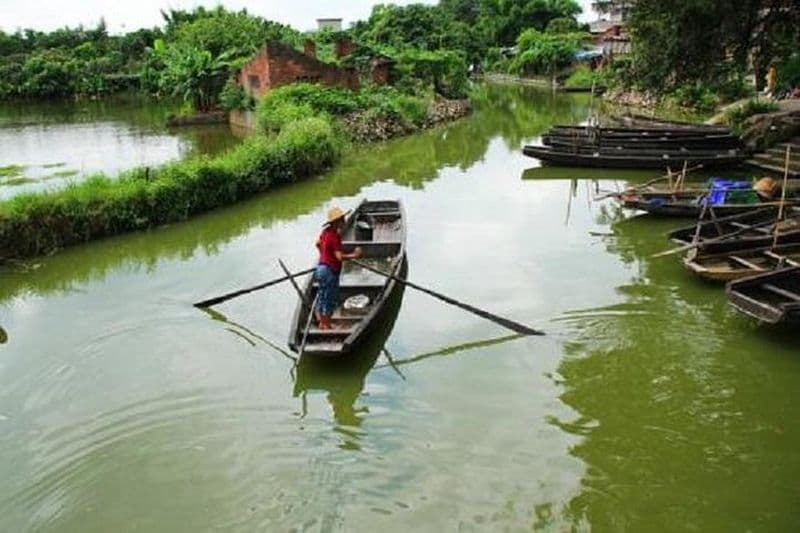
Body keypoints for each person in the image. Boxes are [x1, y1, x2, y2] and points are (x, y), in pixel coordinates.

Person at [315, 207, 362, 330]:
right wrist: (354, 255)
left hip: (320, 268)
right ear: (337, 221)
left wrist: (324, 256)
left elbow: (318, 244)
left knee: (322, 295)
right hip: (329, 271)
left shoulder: (325, 232)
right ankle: (326, 324)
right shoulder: (334, 236)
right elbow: (339, 257)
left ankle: (322, 322)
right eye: (342, 219)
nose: (345, 220)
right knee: (328, 298)